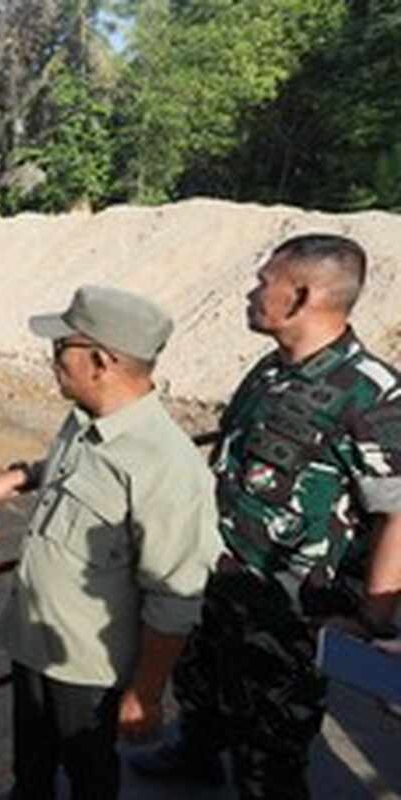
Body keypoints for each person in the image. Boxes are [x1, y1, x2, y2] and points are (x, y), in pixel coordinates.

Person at [129, 234, 401, 798]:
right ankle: (196, 753)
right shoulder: (273, 368)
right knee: (201, 683)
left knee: (271, 750)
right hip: (222, 576)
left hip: (291, 609)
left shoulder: (370, 394)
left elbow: (399, 512)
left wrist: (373, 618)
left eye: (262, 282)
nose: (249, 293)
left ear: (300, 297)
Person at [0, 285, 220, 800]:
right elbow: (69, 472)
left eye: (61, 349)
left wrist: (146, 694)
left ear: (100, 361)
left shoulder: (166, 467)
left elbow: (176, 596)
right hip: (35, 635)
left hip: (88, 665)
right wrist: (21, 476)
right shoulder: (85, 417)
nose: (53, 360)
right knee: (31, 762)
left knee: (90, 773)